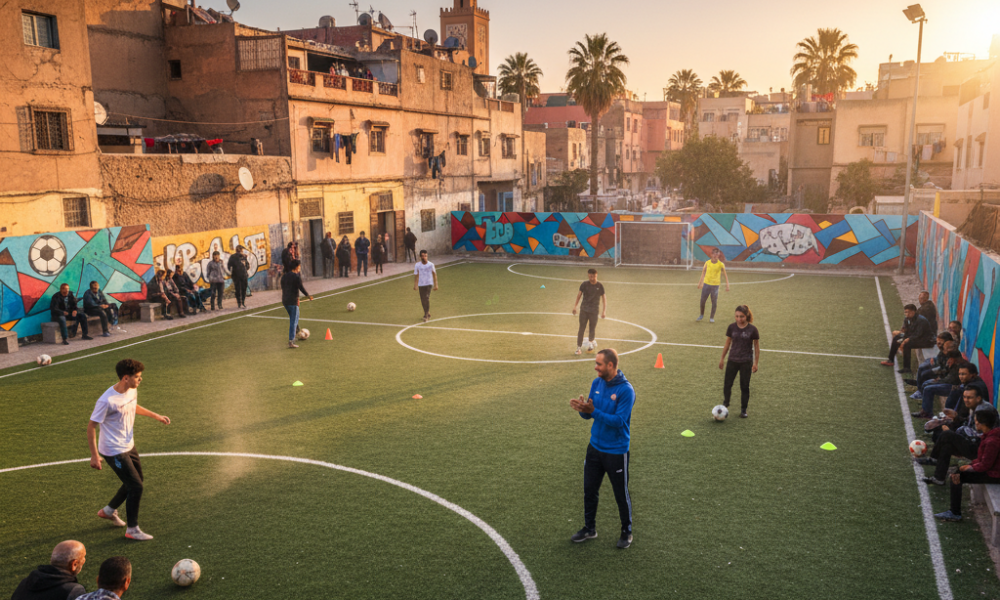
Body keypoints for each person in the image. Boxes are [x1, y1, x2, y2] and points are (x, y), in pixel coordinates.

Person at [88, 359, 170, 541]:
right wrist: (94, 455)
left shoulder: (132, 390)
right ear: (126, 378)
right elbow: (92, 426)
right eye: (137, 377)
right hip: (113, 450)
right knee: (136, 486)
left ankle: (108, 511)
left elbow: (132, 406)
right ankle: (132, 529)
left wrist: (155, 416)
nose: (140, 380)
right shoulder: (106, 400)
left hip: (128, 445)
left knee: (136, 480)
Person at [569, 348, 636, 549]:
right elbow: (590, 413)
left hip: (616, 451)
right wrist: (583, 410)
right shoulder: (596, 383)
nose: (595, 367)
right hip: (595, 448)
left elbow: (618, 421)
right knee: (589, 489)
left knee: (620, 493)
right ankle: (589, 528)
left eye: (599, 364)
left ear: (610, 365)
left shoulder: (626, 391)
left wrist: (593, 411)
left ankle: (627, 531)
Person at [934, 407, 1000, 522]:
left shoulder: (992, 441)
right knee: (959, 472)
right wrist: (971, 464)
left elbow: (985, 465)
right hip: (992, 471)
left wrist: (971, 467)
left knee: (957, 476)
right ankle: (954, 512)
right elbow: (981, 458)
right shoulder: (989, 436)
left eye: (976, 421)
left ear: (980, 423)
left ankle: (955, 513)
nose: (975, 423)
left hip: (995, 475)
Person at [920, 387, 991, 485]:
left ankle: (933, 459)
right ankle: (939, 478)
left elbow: (979, 435)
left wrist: (956, 435)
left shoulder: (983, 410)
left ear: (978, 398)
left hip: (982, 449)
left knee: (947, 434)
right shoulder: (975, 407)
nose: (966, 400)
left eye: (969, 397)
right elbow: (969, 426)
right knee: (947, 447)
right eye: (965, 397)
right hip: (976, 444)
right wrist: (956, 417)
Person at [719, 305, 760, 418]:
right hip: (732, 360)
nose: (739, 319)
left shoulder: (753, 329)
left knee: (744, 386)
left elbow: (756, 347)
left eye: (741, 316)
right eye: (737, 316)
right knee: (727, 384)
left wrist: (756, 363)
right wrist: (722, 358)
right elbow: (728, 343)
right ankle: (725, 403)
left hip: (746, 362)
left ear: (746, 316)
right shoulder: (731, 327)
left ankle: (743, 409)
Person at [10, 541, 87, 600]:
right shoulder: (73, 590)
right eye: (83, 557)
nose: (84, 560)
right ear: (74, 564)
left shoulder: (25, 583)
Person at [881, 303, 935, 374]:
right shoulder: (907, 319)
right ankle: (891, 360)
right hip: (915, 337)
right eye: (905, 312)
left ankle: (907, 368)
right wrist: (903, 337)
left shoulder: (921, 320)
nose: (906, 314)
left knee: (907, 345)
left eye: (908, 312)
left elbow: (918, 334)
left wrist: (908, 339)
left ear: (913, 312)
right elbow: (907, 331)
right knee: (897, 338)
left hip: (926, 340)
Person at [911, 351, 963, 419]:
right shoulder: (952, 363)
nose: (948, 360)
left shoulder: (960, 366)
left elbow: (951, 380)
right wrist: (941, 375)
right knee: (925, 383)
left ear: (955, 358)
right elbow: (944, 373)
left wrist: (939, 380)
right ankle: (925, 409)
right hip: (947, 383)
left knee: (928, 389)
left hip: (953, 387)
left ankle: (927, 413)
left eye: (950, 358)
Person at [571, 268, 607, 355]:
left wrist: (604, 311)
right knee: (581, 328)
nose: (592, 278)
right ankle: (578, 347)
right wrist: (575, 306)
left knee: (592, 327)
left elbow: (604, 299)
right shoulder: (584, 284)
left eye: (594, 276)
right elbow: (579, 295)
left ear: (596, 275)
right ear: (588, 275)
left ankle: (591, 343)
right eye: (590, 276)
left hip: (594, 311)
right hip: (584, 310)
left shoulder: (600, 286)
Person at [281, 259, 313, 349]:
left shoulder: (284, 276)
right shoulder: (296, 277)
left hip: (285, 301)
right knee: (293, 321)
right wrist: (308, 296)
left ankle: (297, 332)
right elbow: (301, 287)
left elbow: (284, 288)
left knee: (295, 317)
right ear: (296, 267)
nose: (300, 268)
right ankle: (291, 341)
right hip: (292, 301)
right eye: (299, 266)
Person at [696, 248, 730, 323]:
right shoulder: (707, 263)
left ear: (719, 255)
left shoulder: (721, 264)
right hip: (706, 284)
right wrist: (700, 283)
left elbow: (725, 275)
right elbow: (703, 273)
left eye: (717, 254)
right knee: (702, 301)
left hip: (715, 286)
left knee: (714, 302)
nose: (715, 255)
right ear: (711, 254)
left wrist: (727, 285)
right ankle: (701, 315)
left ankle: (711, 317)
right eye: (714, 254)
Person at [413, 250, 438, 322]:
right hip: (421, 284)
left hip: (429, 283)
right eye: (422, 256)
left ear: (427, 256)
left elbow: (434, 274)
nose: (424, 257)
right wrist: (415, 285)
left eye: (425, 256)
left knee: (426, 298)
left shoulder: (431, 265)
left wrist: (436, 285)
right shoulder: (417, 265)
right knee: (423, 299)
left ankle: (426, 315)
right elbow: (416, 275)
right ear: (420, 256)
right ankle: (427, 312)